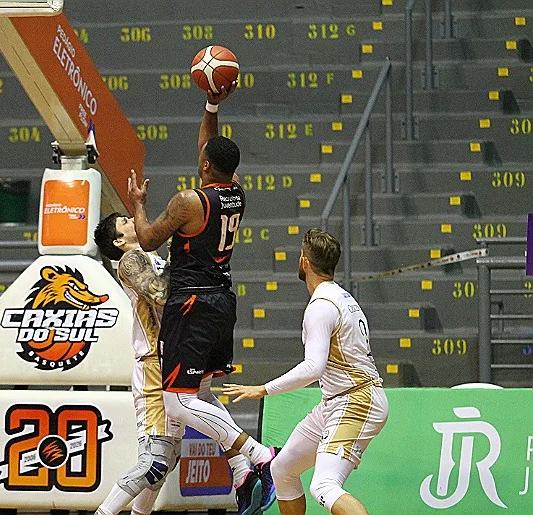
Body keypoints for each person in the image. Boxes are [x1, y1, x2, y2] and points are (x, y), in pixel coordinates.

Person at [127, 83, 277, 515]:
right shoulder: (236, 193)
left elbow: (150, 240)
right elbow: (207, 144)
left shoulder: (187, 202)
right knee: (201, 396)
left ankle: (256, 453)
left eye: (201, 157)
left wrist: (138, 204)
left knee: (175, 400)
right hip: (222, 302)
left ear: (206, 165)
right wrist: (212, 104)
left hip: (190, 305)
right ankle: (240, 471)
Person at [94, 213, 260, 515]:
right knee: (154, 461)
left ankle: (242, 469)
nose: (133, 219)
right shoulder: (130, 261)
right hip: (152, 366)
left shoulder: (150, 256)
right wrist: (180, 260)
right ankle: (247, 462)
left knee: (166, 460)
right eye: (125, 221)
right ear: (119, 240)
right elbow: (160, 295)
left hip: (173, 356)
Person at [222, 228, 389, 515]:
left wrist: (264, 389)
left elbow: (314, 367)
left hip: (355, 400)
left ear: (304, 262)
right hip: (339, 399)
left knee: (324, 485)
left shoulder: (321, 306)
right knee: (282, 468)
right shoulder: (342, 297)